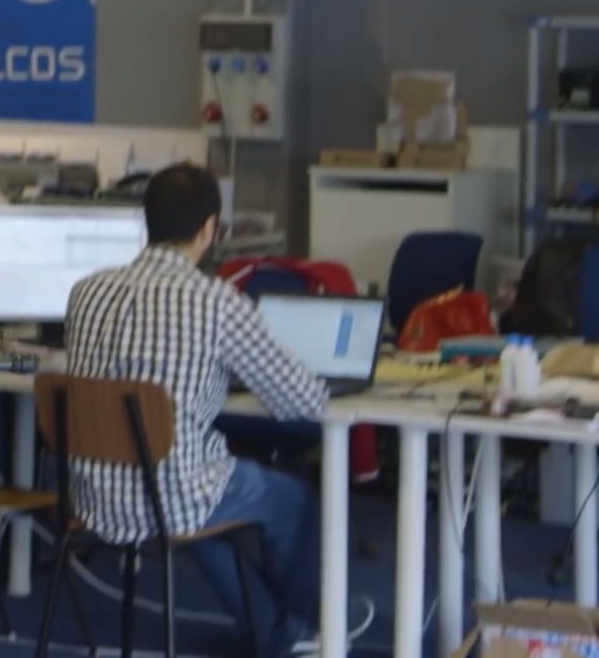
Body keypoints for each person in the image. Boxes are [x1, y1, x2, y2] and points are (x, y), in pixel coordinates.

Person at [64, 162, 374, 656]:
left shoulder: (86, 292)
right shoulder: (216, 302)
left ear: (146, 220)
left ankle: (275, 629)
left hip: (93, 495)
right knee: (289, 499)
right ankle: (303, 626)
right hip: (171, 495)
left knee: (200, 496)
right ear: (210, 228)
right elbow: (303, 401)